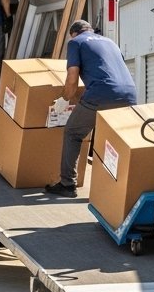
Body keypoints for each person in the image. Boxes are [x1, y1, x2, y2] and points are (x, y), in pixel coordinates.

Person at [45, 19, 137, 197]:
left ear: (73, 34)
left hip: (102, 93)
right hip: (129, 95)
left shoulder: (75, 42)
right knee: (118, 141)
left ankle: (67, 184)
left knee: (73, 132)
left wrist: (64, 99)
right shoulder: (110, 42)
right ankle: (123, 187)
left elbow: (72, 77)